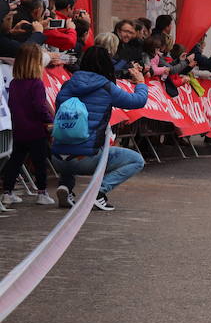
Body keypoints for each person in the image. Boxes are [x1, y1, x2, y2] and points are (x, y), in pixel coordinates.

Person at [51, 46, 149, 211]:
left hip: (57, 159)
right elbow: (137, 101)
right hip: (85, 160)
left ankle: (65, 186)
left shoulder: (68, 84)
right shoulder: (105, 87)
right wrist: (140, 83)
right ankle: (98, 192)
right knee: (136, 160)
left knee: (70, 135)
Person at [1, 43, 55, 207]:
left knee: (15, 161)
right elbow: (40, 107)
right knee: (40, 162)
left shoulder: (15, 83)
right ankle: (42, 192)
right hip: (36, 129)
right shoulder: (36, 84)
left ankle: (7, 192)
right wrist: (49, 120)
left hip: (19, 129)